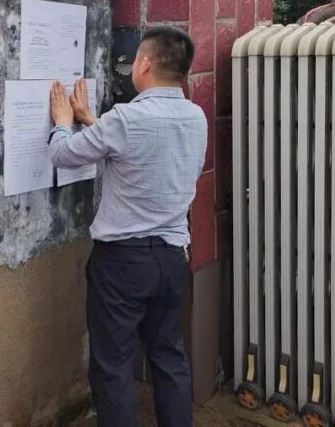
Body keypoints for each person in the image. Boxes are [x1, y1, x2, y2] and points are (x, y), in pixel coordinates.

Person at [47, 26, 207, 427]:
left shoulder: (126, 119)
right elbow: (143, 148)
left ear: (146, 64)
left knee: (113, 365)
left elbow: (64, 155)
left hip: (122, 264)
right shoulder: (195, 116)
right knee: (169, 358)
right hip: (172, 259)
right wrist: (93, 120)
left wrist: (64, 122)